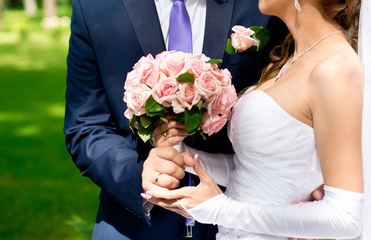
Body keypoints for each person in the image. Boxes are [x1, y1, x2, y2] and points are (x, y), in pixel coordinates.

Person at [142, 0, 371, 239]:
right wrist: (188, 161)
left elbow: (345, 216)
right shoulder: (296, 56)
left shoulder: (336, 68)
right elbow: (259, 169)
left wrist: (222, 209)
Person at [63, 0, 291, 239]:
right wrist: (138, 174)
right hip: (134, 222)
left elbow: (300, 96)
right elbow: (86, 126)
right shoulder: (96, 8)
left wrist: (310, 184)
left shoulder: (265, 4)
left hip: (243, 216)